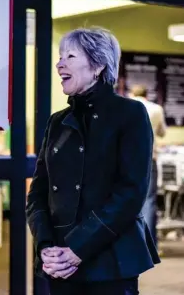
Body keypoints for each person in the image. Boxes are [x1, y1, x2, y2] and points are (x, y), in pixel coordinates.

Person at [26, 27, 160, 295]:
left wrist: (77, 248)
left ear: (98, 65)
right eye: (60, 56)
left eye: (70, 56)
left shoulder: (130, 114)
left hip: (110, 262)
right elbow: (38, 192)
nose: (59, 63)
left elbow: (131, 192)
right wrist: (45, 246)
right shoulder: (57, 121)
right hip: (59, 263)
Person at [129, 84, 166, 248]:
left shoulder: (125, 106)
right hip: (148, 157)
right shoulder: (156, 109)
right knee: (149, 200)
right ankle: (149, 245)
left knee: (127, 198)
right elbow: (162, 133)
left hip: (127, 159)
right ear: (146, 94)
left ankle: (130, 242)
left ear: (132, 93)